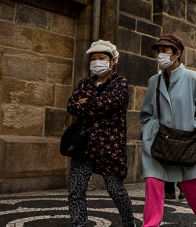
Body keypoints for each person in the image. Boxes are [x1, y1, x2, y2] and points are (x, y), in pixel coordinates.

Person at [140, 34, 196, 226]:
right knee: (153, 183)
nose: (160, 54)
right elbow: (146, 113)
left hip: (184, 144)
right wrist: (146, 132)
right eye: (158, 51)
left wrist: (192, 130)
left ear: (177, 54)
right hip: (157, 143)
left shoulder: (194, 78)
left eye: (165, 50)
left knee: (191, 186)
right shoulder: (153, 81)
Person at [67, 40, 134, 227]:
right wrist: (95, 104)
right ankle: (78, 223)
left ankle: (129, 222)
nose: (97, 62)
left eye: (101, 58)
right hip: (83, 144)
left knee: (116, 189)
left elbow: (110, 103)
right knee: (76, 189)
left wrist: (86, 102)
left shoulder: (120, 83)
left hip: (109, 146)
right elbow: (72, 106)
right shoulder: (84, 83)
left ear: (112, 61)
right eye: (93, 58)